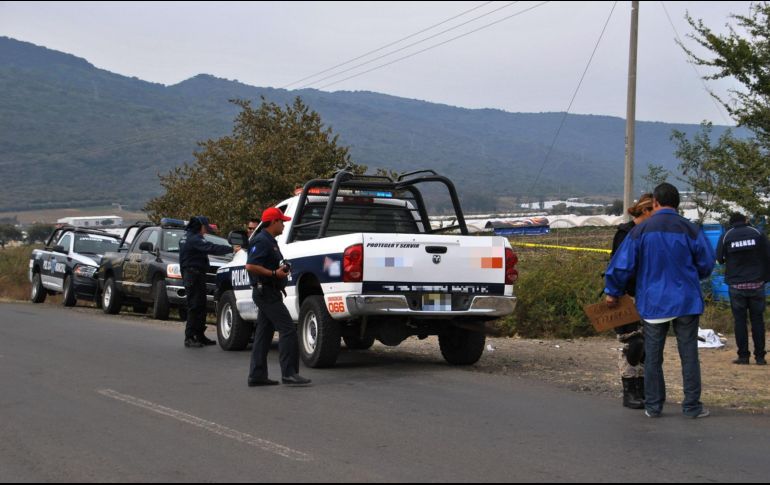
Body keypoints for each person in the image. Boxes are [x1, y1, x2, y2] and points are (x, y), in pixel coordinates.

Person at [605, 183, 715, 419]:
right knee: (689, 354)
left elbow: (621, 264)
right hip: (686, 300)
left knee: (653, 356)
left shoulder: (641, 231)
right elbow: (707, 263)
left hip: (654, 302)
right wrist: (693, 276)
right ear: (677, 204)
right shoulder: (690, 229)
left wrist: (612, 291)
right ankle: (692, 406)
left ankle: (654, 406)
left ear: (655, 202)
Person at [246, 207, 311, 387]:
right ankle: (289, 373)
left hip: (270, 290)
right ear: (273, 222)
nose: (284, 225)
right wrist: (274, 273)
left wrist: (279, 274)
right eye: (281, 221)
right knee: (288, 329)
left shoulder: (270, 241)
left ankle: (257, 375)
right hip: (265, 292)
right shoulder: (262, 240)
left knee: (264, 334)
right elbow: (251, 266)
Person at [609, 193, 653, 409]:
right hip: (626, 295)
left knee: (646, 344)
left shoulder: (649, 233)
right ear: (645, 211)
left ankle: (642, 388)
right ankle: (629, 390)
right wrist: (613, 292)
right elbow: (616, 266)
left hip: (646, 294)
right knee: (632, 343)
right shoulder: (625, 233)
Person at [716, 212, 770, 365]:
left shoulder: (727, 236)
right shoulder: (757, 233)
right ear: (745, 220)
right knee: (757, 321)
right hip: (756, 284)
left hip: (736, 286)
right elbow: (768, 255)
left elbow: (719, 259)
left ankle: (743, 356)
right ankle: (760, 357)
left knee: (740, 321)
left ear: (731, 222)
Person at [179, 216, 233, 348]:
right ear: (199, 226)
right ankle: (190, 337)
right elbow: (211, 248)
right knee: (194, 306)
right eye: (205, 227)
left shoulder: (188, 236)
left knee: (201, 306)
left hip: (194, 274)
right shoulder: (194, 239)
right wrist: (231, 249)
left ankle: (200, 335)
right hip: (193, 274)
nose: (206, 230)